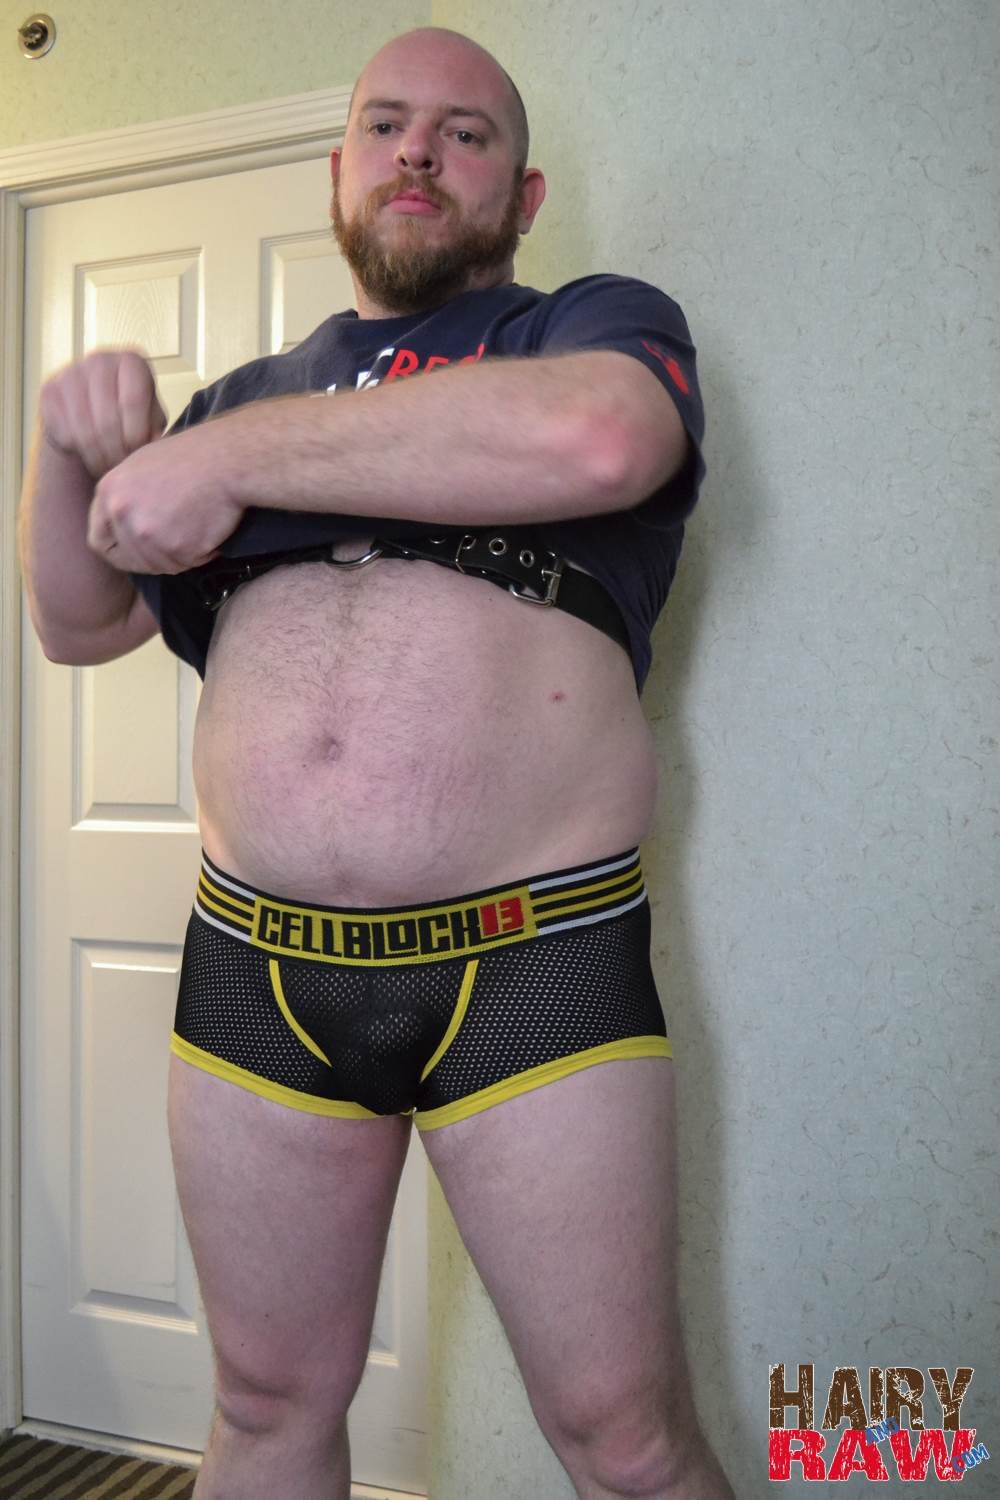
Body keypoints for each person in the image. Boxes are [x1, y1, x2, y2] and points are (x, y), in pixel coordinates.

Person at [18, 25, 735, 1500]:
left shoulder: (583, 329)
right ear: (337, 171)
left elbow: (608, 443)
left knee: (626, 1441)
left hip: (532, 964)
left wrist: (221, 464)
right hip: (256, 970)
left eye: (466, 133)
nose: (419, 149)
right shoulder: (235, 398)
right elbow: (79, 624)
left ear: (523, 196)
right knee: (266, 1405)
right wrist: (66, 456)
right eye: (386, 123)